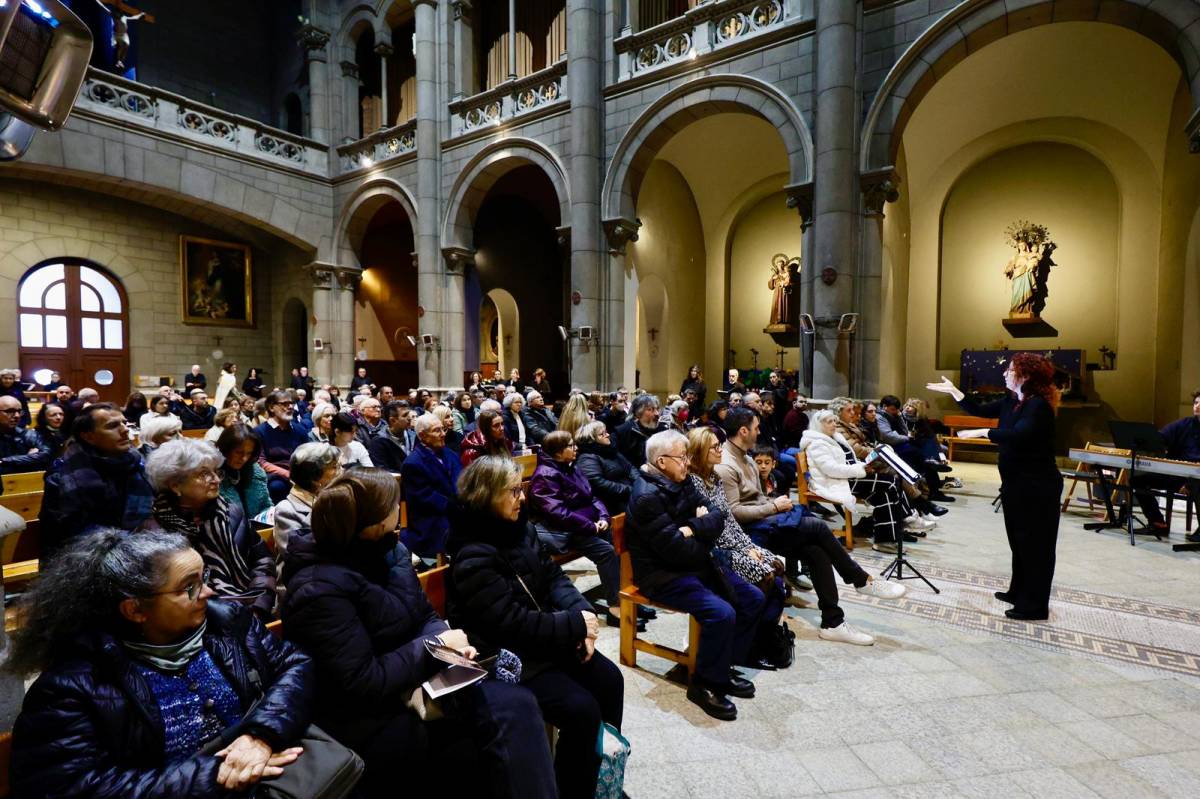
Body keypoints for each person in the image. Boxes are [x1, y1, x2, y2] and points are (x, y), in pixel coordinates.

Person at [280, 468, 557, 798]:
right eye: (395, 504)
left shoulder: (390, 550)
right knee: (494, 727)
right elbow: (362, 681)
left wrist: (449, 647)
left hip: (417, 677)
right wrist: (435, 645)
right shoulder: (317, 587)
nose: (401, 510)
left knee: (517, 704)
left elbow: (423, 613)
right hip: (365, 713)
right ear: (374, 520)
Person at [6, 529, 314, 799]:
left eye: (203, 577)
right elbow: (71, 787)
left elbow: (294, 664)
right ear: (135, 609)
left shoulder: (226, 621)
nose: (209, 591)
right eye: (189, 587)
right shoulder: (74, 686)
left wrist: (261, 735)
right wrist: (219, 774)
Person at [447, 456, 623, 799]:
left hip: (545, 638)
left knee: (609, 680)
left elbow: (553, 576)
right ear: (486, 495)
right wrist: (573, 626)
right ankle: (572, 790)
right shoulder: (472, 553)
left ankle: (599, 773)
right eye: (513, 491)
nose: (522, 497)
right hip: (509, 656)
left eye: (520, 489)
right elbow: (508, 623)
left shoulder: (520, 528)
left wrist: (582, 616)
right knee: (580, 710)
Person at [709, 415, 904, 644]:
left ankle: (833, 623)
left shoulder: (747, 459)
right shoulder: (727, 465)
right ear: (743, 431)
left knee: (816, 551)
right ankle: (861, 580)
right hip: (749, 534)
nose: (759, 432)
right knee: (818, 526)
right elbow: (733, 513)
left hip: (764, 521)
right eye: (756, 427)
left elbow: (757, 497)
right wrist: (773, 507)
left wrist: (774, 504)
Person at [627, 430, 764, 720]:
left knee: (753, 597)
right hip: (662, 576)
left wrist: (693, 528)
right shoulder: (645, 498)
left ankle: (722, 665)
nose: (688, 463)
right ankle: (704, 684)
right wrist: (701, 526)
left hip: (694, 563)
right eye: (682, 457)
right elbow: (678, 552)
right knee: (722, 612)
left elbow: (718, 513)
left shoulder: (683, 480)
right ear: (662, 461)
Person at [927, 354, 1064, 620]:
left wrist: (982, 433)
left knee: (1037, 546)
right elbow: (980, 410)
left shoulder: (1038, 406)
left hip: (1038, 487)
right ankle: (1019, 591)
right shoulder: (1014, 401)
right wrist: (956, 392)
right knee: (1019, 541)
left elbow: (1020, 435)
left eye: (1010, 370)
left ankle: (1034, 606)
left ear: (1026, 375)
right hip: (1016, 484)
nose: (1004, 373)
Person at [142, 438, 276, 621]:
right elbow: (172, 597)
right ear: (175, 485)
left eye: (216, 472)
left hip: (252, 608)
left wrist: (260, 602)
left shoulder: (231, 511)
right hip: (200, 622)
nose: (215, 479)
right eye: (204, 474)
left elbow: (262, 559)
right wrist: (225, 616)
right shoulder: (155, 533)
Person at [529, 431, 631, 629]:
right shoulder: (545, 475)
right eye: (570, 445)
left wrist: (603, 517)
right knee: (606, 552)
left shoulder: (570, 467)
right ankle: (615, 607)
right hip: (565, 531)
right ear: (558, 452)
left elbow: (592, 496)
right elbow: (558, 513)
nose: (576, 448)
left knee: (621, 540)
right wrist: (590, 526)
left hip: (585, 525)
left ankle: (626, 594)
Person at [801, 410, 928, 551]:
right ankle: (907, 518)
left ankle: (885, 540)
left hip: (849, 477)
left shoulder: (835, 437)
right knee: (890, 482)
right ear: (818, 425)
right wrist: (860, 469)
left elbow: (850, 460)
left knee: (886, 491)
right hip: (836, 482)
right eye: (829, 422)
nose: (834, 424)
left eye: (834, 421)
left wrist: (864, 465)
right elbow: (831, 469)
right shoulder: (817, 443)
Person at [40, 404, 153, 556]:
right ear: (88, 436)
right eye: (112, 426)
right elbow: (63, 535)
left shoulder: (135, 462)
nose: (125, 430)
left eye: (125, 423)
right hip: (86, 556)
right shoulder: (63, 476)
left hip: (137, 544)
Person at [1122, 389, 1200, 541]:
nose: (1197, 406)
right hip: (1176, 475)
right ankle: (1158, 523)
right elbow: (1159, 437)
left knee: (1198, 483)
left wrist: (1189, 482)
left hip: (1196, 479)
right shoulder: (1184, 424)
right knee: (1137, 481)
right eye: (1196, 403)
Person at [399, 413, 463, 557]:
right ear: (422, 436)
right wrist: (455, 506)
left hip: (456, 508)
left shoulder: (450, 454)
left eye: (443, 429)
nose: (442, 434)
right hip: (431, 517)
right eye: (437, 430)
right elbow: (425, 497)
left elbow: (463, 480)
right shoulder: (412, 463)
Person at [272, 442, 341, 564]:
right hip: (303, 575)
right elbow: (296, 555)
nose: (340, 471)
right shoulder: (286, 510)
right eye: (334, 467)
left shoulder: (333, 496)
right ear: (315, 478)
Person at [254, 390, 309, 503]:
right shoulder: (259, 432)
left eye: (291, 403)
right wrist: (287, 474)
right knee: (277, 487)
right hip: (275, 476)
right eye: (284, 404)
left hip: (299, 474)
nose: (290, 407)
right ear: (271, 408)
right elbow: (260, 462)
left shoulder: (300, 430)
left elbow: (308, 456)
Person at [575, 420, 638, 517]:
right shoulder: (587, 458)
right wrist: (629, 489)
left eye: (606, 432)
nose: (608, 435)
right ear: (591, 440)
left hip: (630, 494)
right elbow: (598, 483)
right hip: (613, 503)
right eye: (602, 434)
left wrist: (639, 483)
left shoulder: (610, 449)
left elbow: (630, 468)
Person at [216, 424, 272, 520]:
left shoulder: (256, 472)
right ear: (226, 449)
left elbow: (266, 505)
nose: (244, 458)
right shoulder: (214, 476)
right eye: (238, 452)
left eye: (249, 453)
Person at [0, 394, 51, 474]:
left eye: (19, 411)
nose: (17, 416)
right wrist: (28, 459)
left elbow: (45, 455)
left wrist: (4, 460)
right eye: (10, 411)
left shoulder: (30, 434)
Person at [615, 394, 667, 469]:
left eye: (657, 409)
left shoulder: (663, 431)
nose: (657, 414)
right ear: (638, 413)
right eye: (650, 410)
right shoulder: (623, 432)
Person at [368, 401, 417, 471]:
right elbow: (382, 471)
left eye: (409, 414)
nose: (409, 418)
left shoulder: (413, 435)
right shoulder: (378, 442)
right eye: (405, 415)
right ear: (393, 420)